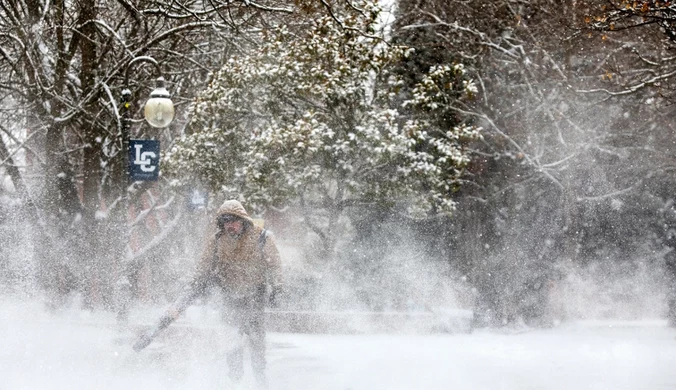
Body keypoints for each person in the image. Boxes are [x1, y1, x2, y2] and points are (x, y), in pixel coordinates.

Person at [134, 199, 283, 387]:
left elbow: (275, 265)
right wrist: (197, 286)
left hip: (255, 295)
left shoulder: (262, 238)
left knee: (256, 341)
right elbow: (202, 271)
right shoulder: (217, 242)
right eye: (226, 222)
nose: (230, 226)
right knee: (232, 340)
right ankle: (235, 380)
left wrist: (278, 288)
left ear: (243, 220)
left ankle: (260, 379)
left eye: (234, 221)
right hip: (230, 296)